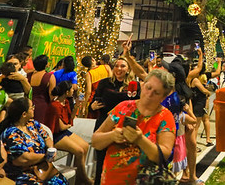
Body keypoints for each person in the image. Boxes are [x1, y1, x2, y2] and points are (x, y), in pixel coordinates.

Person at [91, 70, 176, 185]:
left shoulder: (165, 117)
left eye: (156, 92)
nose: (149, 94)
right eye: (148, 87)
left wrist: (140, 140)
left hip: (144, 181)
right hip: (111, 180)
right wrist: (112, 136)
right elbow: (95, 141)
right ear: (142, 85)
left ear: (163, 97)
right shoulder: (124, 107)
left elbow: (162, 155)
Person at [0, 98, 67, 185]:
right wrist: (45, 156)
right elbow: (22, 159)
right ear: (24, 114)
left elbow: (47, 137)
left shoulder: (32, 124)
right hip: (23, 173)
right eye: (32, 107)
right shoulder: (11, 133)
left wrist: (51, 149)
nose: (34, 109)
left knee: (61, 181)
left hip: (42, 168)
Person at [90, 57, 132, 185]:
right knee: (101, 163)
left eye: (123, 66)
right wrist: (92, 106)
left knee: (120, 164)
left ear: (128, 69)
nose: (119, 69)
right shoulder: (104, 83)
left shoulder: (133, 86)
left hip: (123, 129)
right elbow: (92, 103)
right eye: (116, 66)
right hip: (104, 125)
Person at [48, 81, 91, 185]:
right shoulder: (55, 106)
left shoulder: (66, 102)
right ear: (66, 92)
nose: (73, 91)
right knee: (79, 151)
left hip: (64, 131)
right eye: (71, 89)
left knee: (85, 146)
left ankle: (80, 177)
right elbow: (61, 126)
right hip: (55, 135)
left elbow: (69, 120)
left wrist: (77, 106)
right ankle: (82, 178)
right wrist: (68, 125)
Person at [28, 54, 56, 128]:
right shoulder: (49, 76)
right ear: (46, 65)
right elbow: (52, 95)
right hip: (43, 106)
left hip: (28, 104)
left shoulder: (28, 75)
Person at [189, 69, 212, 146]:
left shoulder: (192, 79)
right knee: (196, 125)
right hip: (198, 104)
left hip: (200, 103)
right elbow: (203, 90)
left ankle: (208, 139)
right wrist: (208, 92)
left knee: (205, 119)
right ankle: (193, 145)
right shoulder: (195, 80)